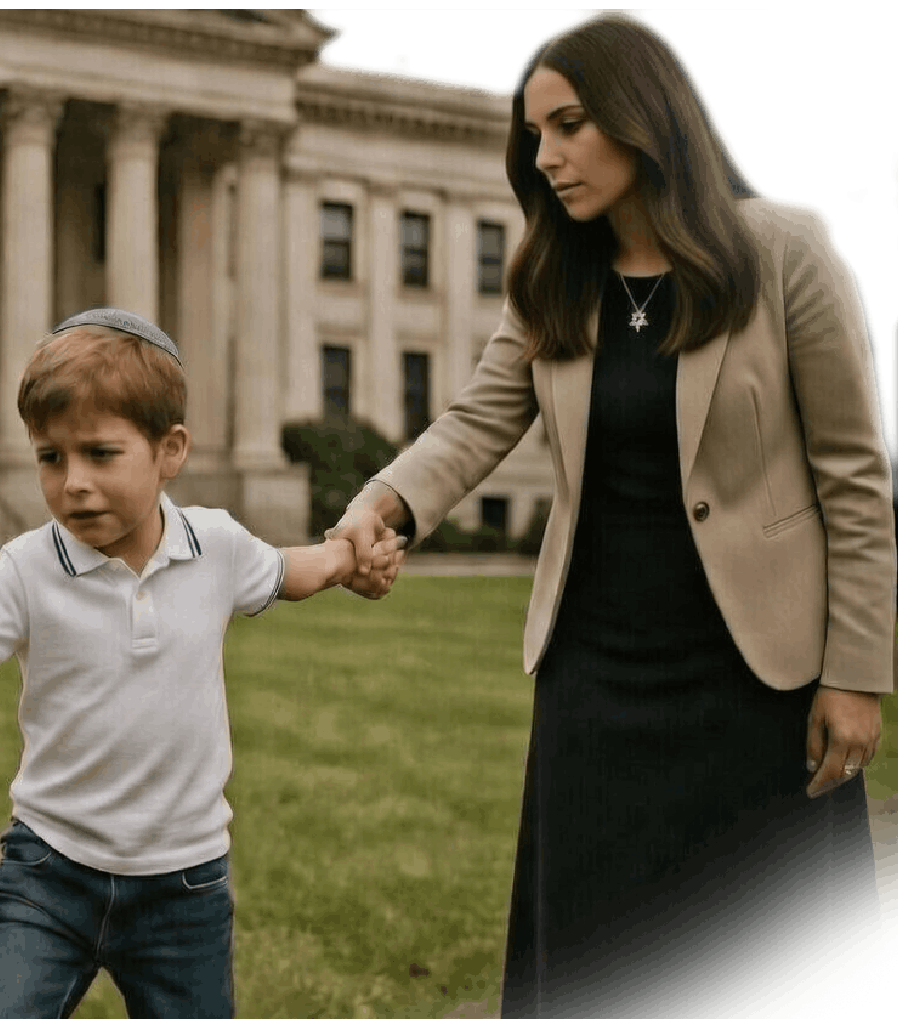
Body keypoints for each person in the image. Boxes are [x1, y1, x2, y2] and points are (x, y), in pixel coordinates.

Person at [327, 12, 893, 1019]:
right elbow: (472, 422)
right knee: (599, 966)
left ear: (645, 115)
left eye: (570, 125)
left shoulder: (787, 248)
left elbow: (854, 475)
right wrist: (383, 503)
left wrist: (855, 673)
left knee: (767, 963)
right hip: (597, 680)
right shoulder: (551, 275)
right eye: (534, 135)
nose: (546, 157)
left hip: (756, 682)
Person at [0, 308, 402, 1018]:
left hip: (185, 888)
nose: (72, 481)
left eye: (100, 454)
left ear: (170, 450)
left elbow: (293, 568)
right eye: (51, 457)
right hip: (47, 877)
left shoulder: (217, 544)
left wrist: (350, 558)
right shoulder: (27, 568)